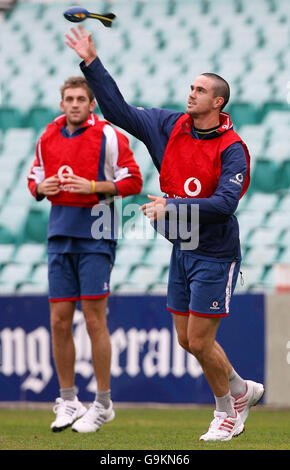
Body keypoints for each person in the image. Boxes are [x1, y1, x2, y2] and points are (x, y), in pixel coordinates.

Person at [64, 25, 264, 442]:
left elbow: (224, 205)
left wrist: (171, 206)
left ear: (218, 101)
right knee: (186, 340)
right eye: (190, 87)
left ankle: (227, 411)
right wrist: (91, 62)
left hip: (216, 251)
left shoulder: (232, 148)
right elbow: (118, 111)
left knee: (199, 338)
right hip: (182, 246)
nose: (190, 93)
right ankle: (243, 389)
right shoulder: (169, 125)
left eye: (200, 90)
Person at [27, 76, 142, 433]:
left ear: (92, 104)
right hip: (60, 233)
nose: (75, 104)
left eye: (81, 98)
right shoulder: (47, 137)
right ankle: (68, 400)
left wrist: (93, 186)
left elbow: (133, 181)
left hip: (97, 232)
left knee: (94, 320)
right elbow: (35, 176)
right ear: (61, 103)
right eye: (69, 98)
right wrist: (39, 188)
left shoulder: (109, 135)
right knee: (59, 320)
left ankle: (103, 402)